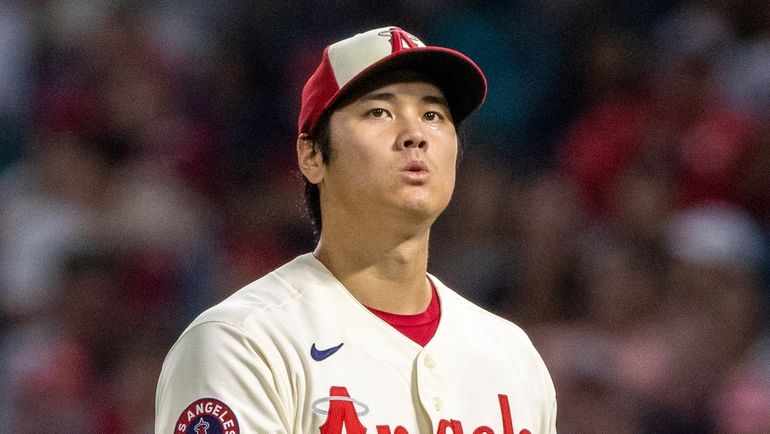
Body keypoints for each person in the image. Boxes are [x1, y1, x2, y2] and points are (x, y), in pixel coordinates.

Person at [155, 26, 557, 434]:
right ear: (311, 155)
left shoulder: (514, 359)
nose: (415, 135)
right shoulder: (243, 344)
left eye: (433, 114)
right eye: (378, 112)